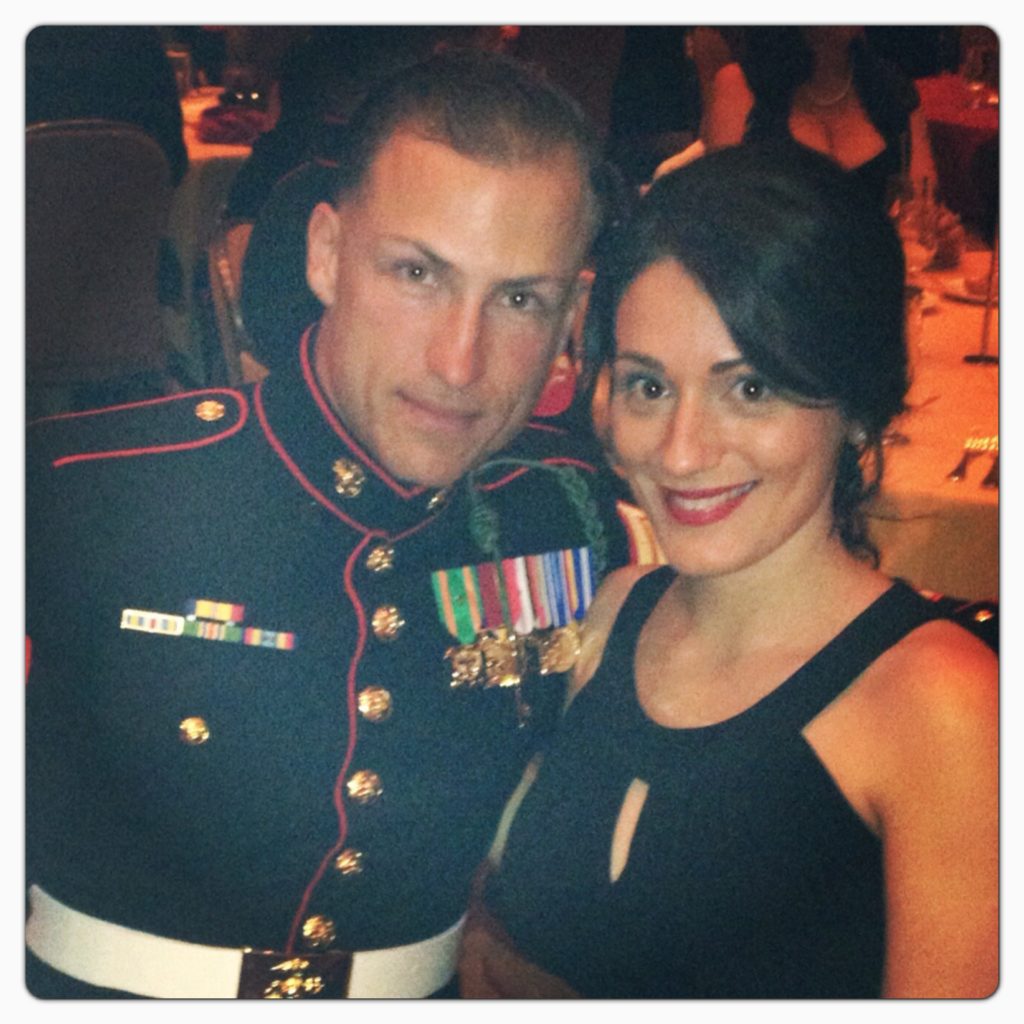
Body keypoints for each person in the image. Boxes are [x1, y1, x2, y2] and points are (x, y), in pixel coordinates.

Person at [25, 50, 645, 999]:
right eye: (416, 273)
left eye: (519, 298)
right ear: (325, 254)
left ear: (575, 312)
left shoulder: (568, 514)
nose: (459, 361)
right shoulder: (84, 489)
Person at [460, 141, 998, 999]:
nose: (681, 450)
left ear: (857, 406)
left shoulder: (942, 707)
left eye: (749, 389)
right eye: (647, 386)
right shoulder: (612, 617)